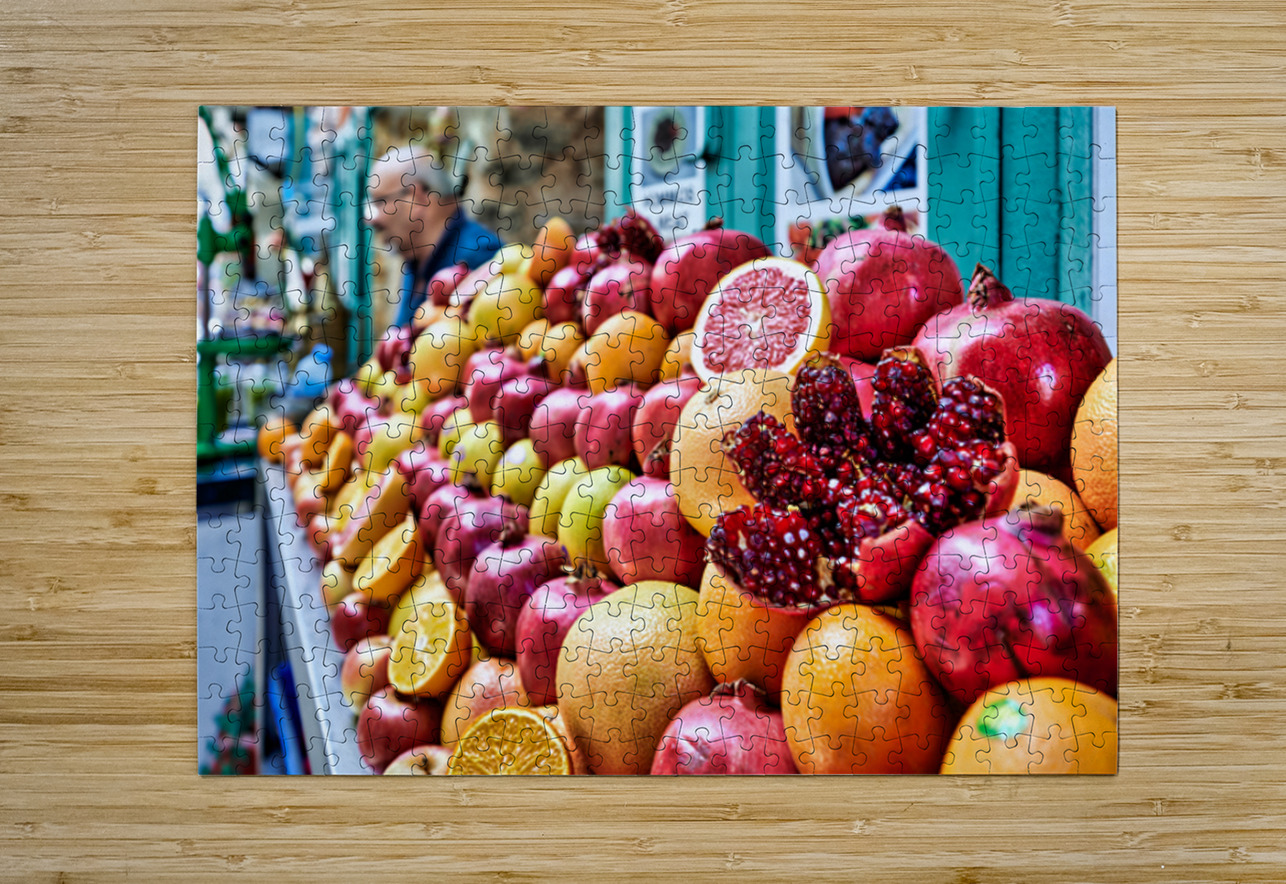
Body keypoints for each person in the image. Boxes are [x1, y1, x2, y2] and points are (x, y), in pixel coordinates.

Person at [364, 147, 502, 330]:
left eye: (380, 201)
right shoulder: (416, 258)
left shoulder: (480, 257)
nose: (371, 219)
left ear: (417, 197)